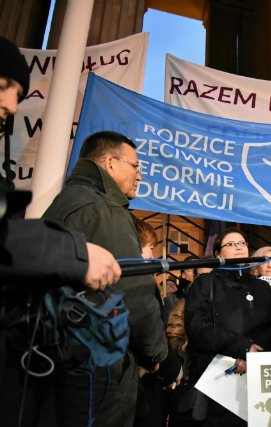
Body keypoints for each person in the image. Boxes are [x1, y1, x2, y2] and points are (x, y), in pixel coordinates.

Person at [0, 35, 121, 427]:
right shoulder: (92, 206)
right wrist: (76, 254)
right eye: (3, 86)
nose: (11, 105)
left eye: (18, 94)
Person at [43, 131, 173, 427]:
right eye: (136, 166)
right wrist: (156, 354)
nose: (140, 175)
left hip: (66, 359)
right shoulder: (103, 210)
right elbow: (134, 294)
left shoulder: (67, 202)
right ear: (110, 163)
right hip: (98, 366)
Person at [184, 228, 271, 426]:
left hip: (257, 376)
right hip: (217, 380)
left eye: (242, 243)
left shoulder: (262, 287)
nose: (238, 247)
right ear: (218, 253)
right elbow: (197, 328)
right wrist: (241, 347)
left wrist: (253, 353)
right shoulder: (205, 284)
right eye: (231, 244)